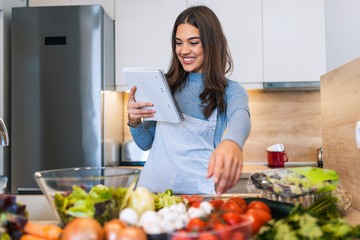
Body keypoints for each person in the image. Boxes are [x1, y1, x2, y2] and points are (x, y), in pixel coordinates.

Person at [126, 5, 251, 196]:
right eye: (178, 42)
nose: (184, 50)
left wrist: (232, 142)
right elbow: (146, 143)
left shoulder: (230, 90)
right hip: (151, 194)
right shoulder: (164, 85)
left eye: (193, 42)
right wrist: (134, 121)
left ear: (211, 44)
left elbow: (241, 118)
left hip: (197, 197)